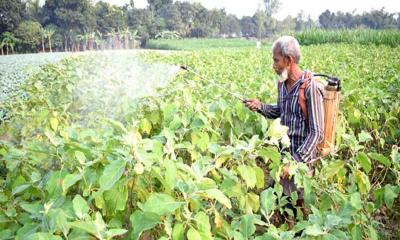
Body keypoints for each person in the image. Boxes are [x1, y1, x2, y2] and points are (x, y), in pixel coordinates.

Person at [245, 36, 325, 227]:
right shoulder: (282, 84)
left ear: (289, 60)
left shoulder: (310, 87)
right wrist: (260, 106)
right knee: (276, 199)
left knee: (296, 207)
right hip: (284, 155)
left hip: (301, 161)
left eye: (276, 60)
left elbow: (317, 132)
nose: (274, 65)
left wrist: (295, 163)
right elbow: (281, 111)